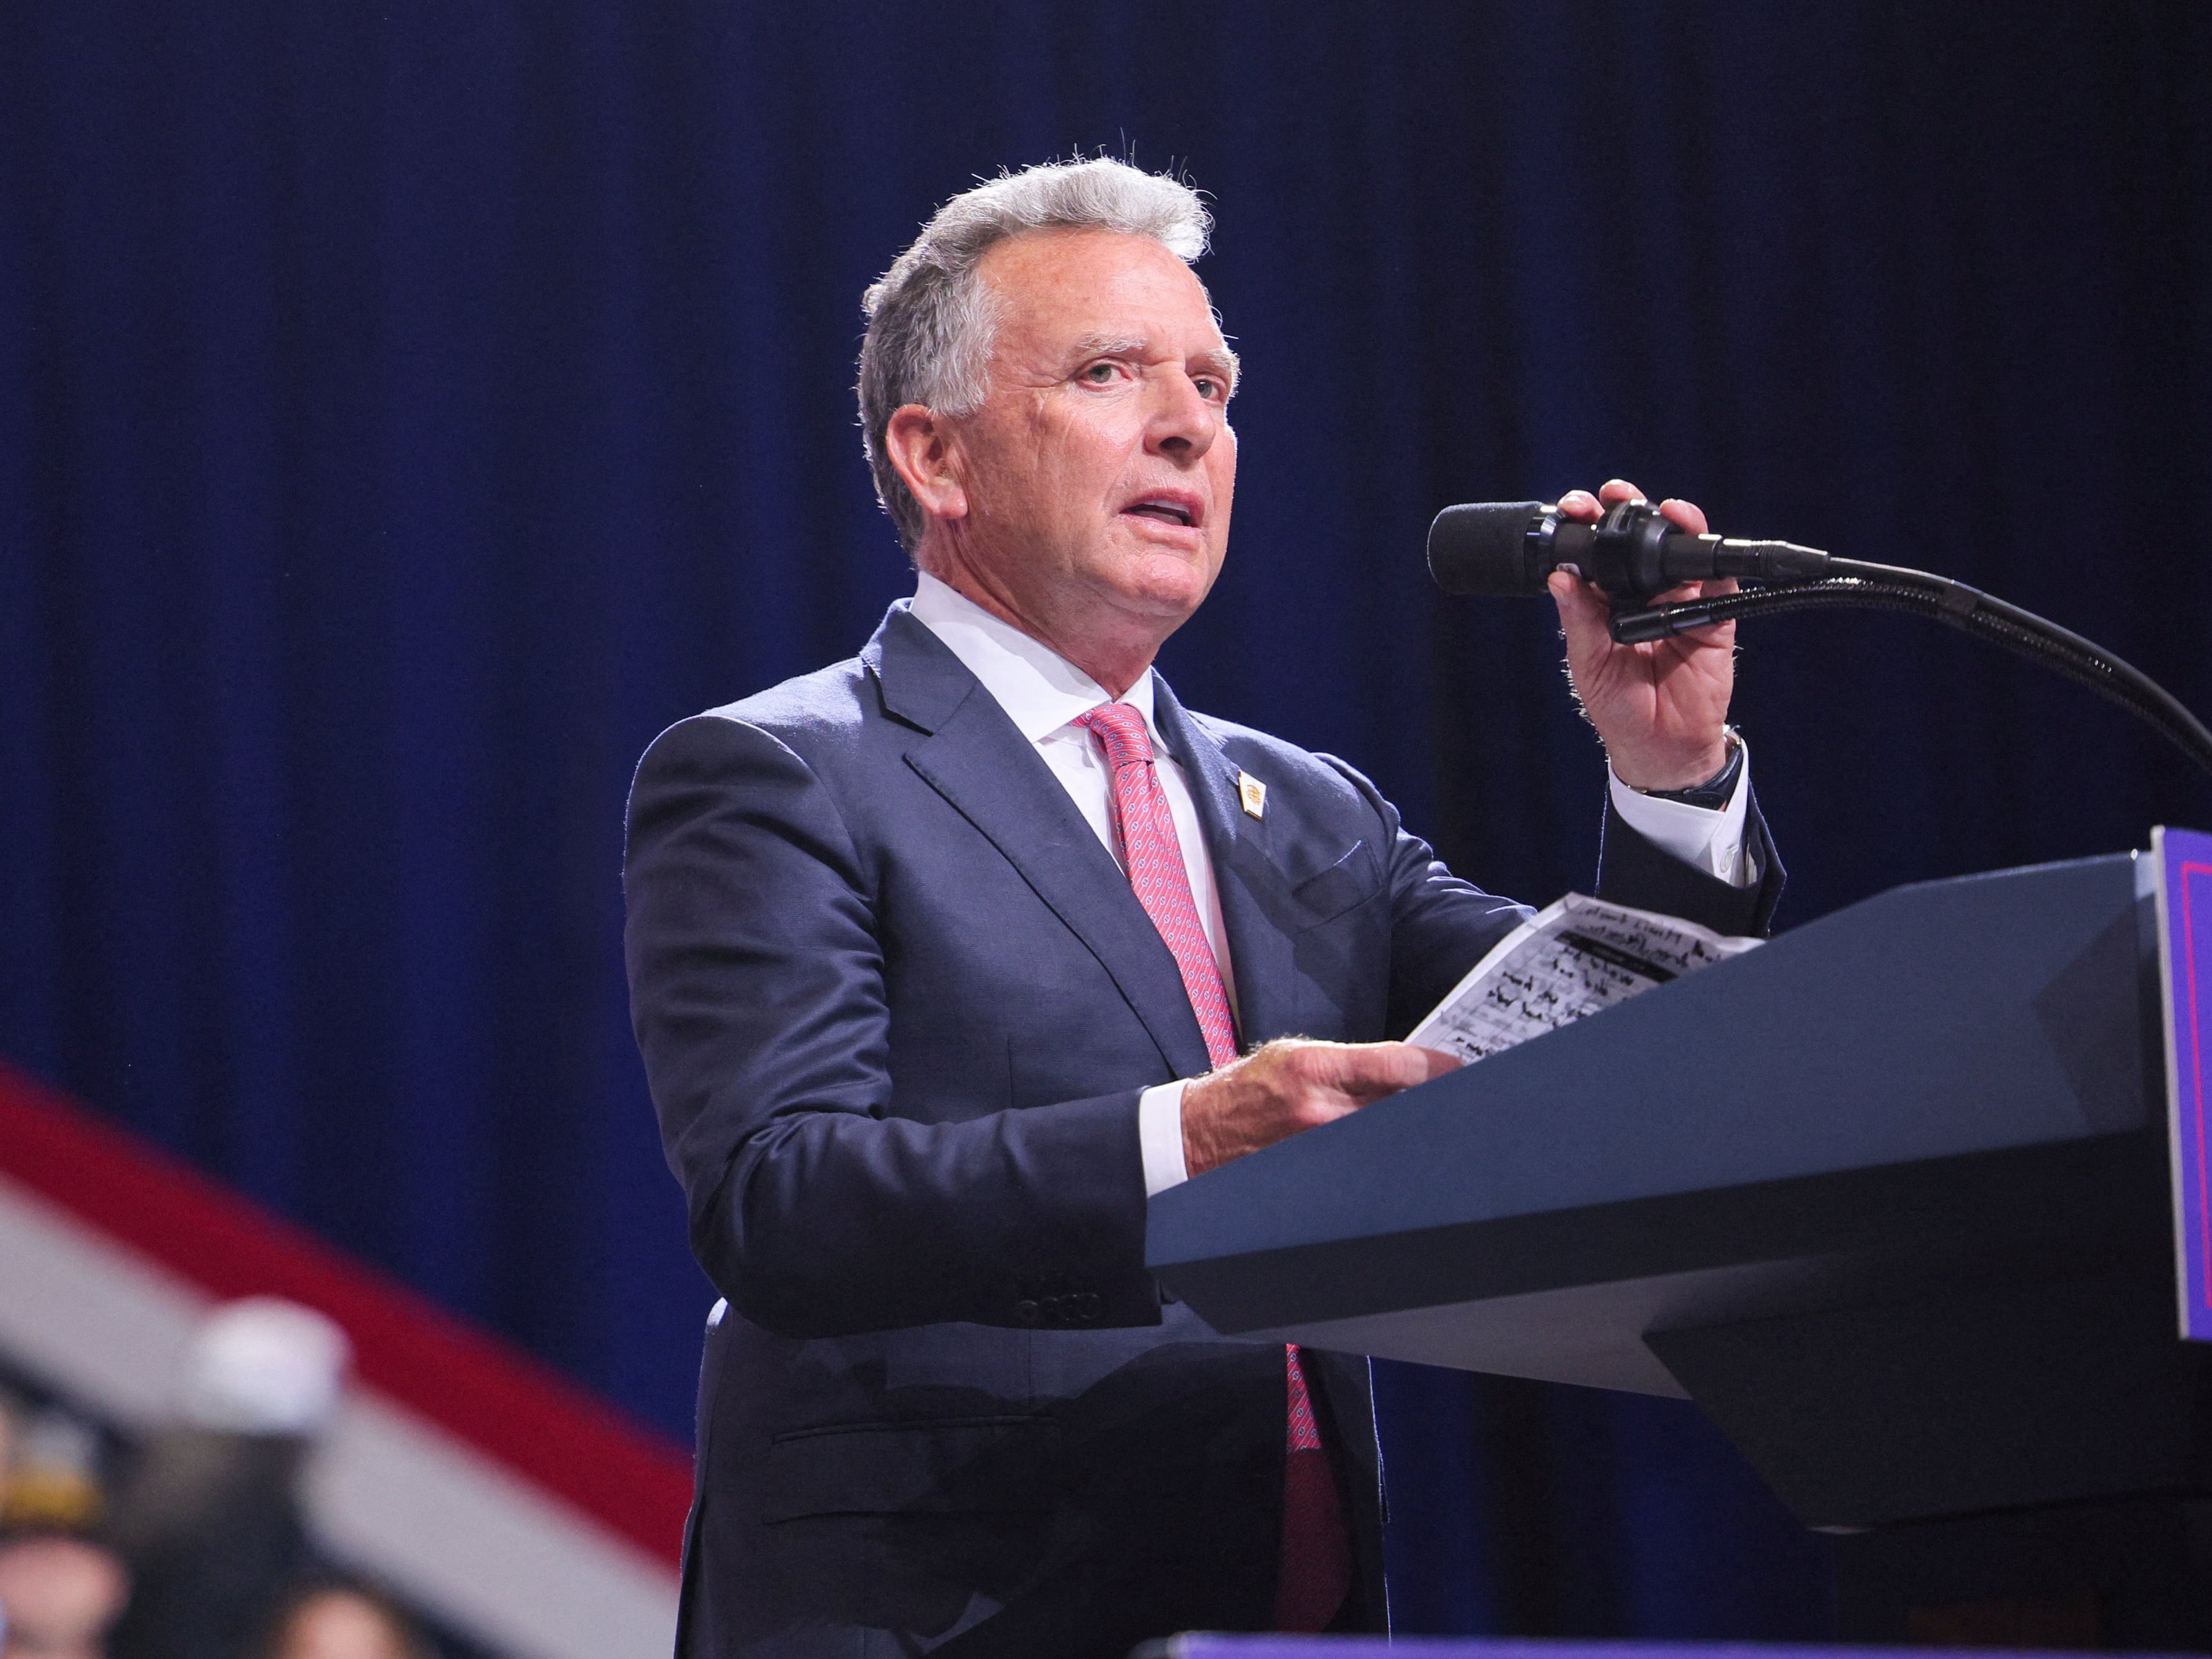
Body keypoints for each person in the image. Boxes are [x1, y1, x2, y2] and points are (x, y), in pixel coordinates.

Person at [623, 157, 1782, 1659]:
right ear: (933, 455)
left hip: (1281, 1612)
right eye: (1109, 372)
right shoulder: (780, 771)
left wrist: (1667, 773)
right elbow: (784, 1202)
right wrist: (1194, 1137)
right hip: (946, 1618)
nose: (1188, 424)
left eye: (1214, 386)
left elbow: (1610, 1077)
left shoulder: (1308, 810)